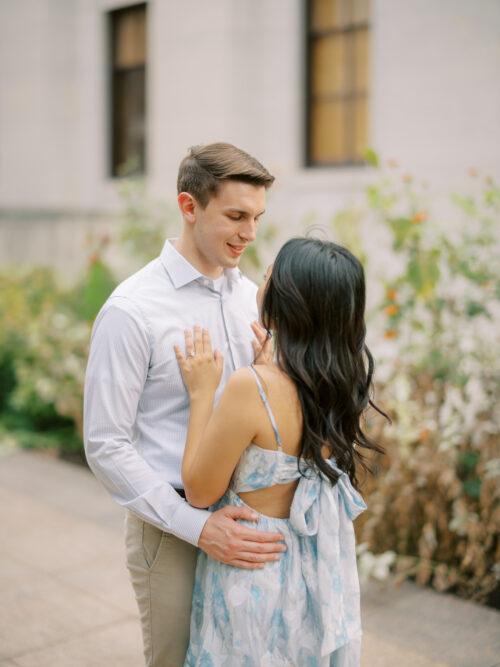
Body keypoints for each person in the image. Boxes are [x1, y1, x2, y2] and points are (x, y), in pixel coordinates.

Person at [83, 142, 287, 667]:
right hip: (172, 529)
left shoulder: (248, 298)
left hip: (244, 520)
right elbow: (106, 445)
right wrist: (196, 526)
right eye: (237, 216)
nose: (250, 233)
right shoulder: (132, 310)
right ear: (189, 206)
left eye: (258, 218)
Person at [174, 237, 387, 666]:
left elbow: (198, 491)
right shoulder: (343, 386)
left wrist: (202, 394)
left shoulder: (250, 387)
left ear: (285, 300)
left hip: (254, 574)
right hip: (314, 576)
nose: (261, 279)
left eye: (269, 275)